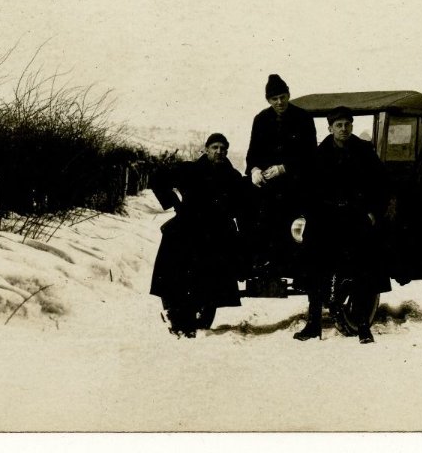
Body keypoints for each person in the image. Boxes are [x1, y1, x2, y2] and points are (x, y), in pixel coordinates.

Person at [294, 106, 391, 344]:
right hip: (325, 219)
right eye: (339, 125)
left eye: (347, 124)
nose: (344, 129)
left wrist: (373, 213)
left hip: (355, 217)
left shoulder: (365, 151)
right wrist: (309, 215)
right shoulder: (318, 154)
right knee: (315, 268)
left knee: (363, 268)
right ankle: (313, 324)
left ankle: (363, 325)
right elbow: (305, 189)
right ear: (330, 128)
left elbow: (382, 185)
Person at [149, 133, 248, 337]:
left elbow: (241, 205)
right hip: (188, 228)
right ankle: (175, 315)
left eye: (223, 148)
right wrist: (173, 203)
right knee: (176, 272)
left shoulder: (233, 176)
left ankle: (202, 319)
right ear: (206, 149)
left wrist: (236, 221)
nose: (219, 151)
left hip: (218, 232)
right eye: (215, 147)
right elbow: (158, 177)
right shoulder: (189, 169)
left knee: (211, 277)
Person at [242, 74, 316, 272]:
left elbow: (310, 155)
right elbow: (253, 152)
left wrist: (284, 168)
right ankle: (260, 266)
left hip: (296, 185)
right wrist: (254, 170)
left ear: (288, 95)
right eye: (274, 99)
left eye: (282, 97)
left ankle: (295, 270)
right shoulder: (261, 119)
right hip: (268, 186)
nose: (279, 102)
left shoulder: (303, 118)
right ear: (268, 100)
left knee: (295, 230)